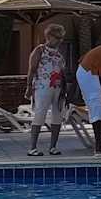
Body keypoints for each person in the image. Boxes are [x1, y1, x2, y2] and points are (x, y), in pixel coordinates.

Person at [26, 23, 71, 157]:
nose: (60, 40)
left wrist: (65, 90)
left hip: (57, 89)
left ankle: (53, 147)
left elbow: (62, 73)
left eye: (61, 38)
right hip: (42, 87)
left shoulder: (59, 54)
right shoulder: (40, 50)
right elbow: (32, 69)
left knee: (57, 117)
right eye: (57, 37)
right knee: (40, 114)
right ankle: (32, 147)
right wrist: (28, 87)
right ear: (49, 36)